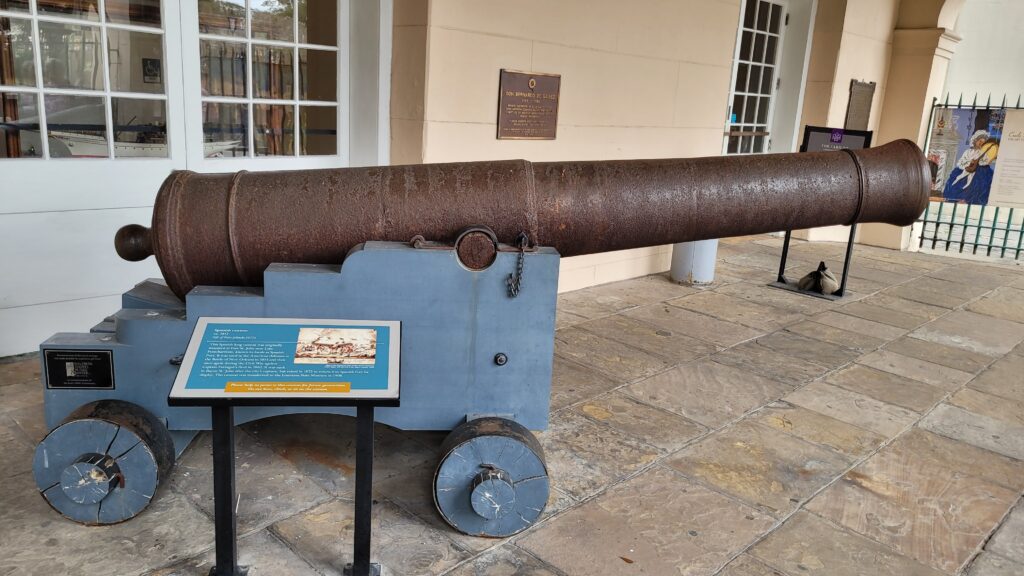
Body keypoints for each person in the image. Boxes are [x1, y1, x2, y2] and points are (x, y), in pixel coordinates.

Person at [943, 129, 999, 205]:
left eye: (983, 142)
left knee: (978, 186)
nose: (981, 143)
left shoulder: (983, 153)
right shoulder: (968, 152)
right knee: (956, 183)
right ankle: (957, 200)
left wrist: (980, 162)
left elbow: (985, 162)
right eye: (979, 141)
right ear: (974, 141)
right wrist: (969, 163)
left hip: (980, 172)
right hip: (966, 169)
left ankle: (971, 201)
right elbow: (961, 162)